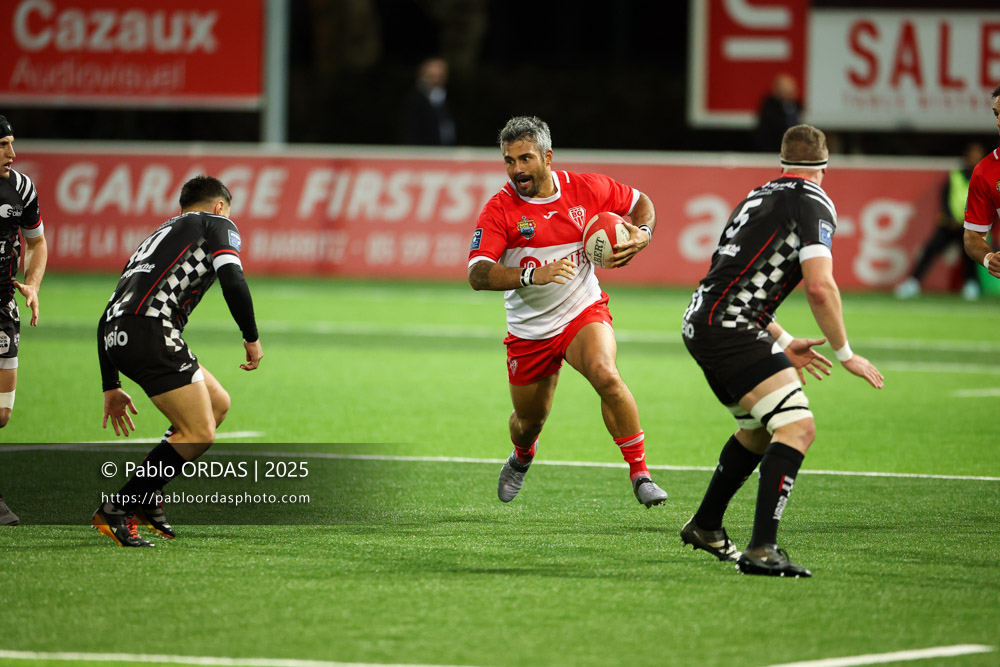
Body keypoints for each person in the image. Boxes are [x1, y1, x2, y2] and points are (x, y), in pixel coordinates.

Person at [680, 124, 884, 577]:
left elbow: (730, 277)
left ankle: (707, 526)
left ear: (783, 161)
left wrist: (783, 339)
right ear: (824, 166)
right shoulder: (814, 200)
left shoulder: (755, 197)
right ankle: (762, 549)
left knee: (757, 430)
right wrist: (845, 352)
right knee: (797, 427)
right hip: (730, 327)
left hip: (704, 321)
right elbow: (819, 286)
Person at [468, 115, 668, 508]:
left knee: (605, 374)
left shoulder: (587, 188)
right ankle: (522, 456)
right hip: (530, 331)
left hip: (582, 310)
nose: (517, 170)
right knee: (528, 423)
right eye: (510, 161)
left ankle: (640, 473)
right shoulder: (500, 210)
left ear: (548, 156)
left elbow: (641, 202)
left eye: (526, 159)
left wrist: (642, 234)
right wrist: (531, 275)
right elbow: (477, 273)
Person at [93, 176, 263, 547]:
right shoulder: (217, 223)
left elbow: (107, 313)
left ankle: (146, 496)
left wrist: (111, 384)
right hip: (152, 331)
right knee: (200, 432)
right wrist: (250, 337)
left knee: (218, 404)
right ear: (219, 206)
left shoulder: (155, 238)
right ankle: (118, 508)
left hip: (117, 335)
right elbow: (232, 279)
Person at [0, 114, 48, 528]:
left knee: (1, 413)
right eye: (2, 145)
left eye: (12, 144)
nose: (12, 154)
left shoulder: (22, 188)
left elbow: (37, 243)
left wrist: (31, 283)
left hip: (3, 305)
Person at [895, 142, 986, 300]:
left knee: (970, 256)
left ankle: (971, 285)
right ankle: (913, 282)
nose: (974, 157)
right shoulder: (955, 175)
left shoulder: (984, 177)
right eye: (972, 153)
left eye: (977, 154)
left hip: (969, 226)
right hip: (949, 224)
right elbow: (945, 197)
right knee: (930, 250)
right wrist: (948, 216)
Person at [963, 84, 1000, 277]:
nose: (999, 122)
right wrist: (989, 258)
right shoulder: (985, 171)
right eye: (996, 114)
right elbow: (973, 235)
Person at [400, 57, 456, 146]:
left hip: (444, 151)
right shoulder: (414, 100)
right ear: (420, 76)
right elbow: (410, 131)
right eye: (431, 77)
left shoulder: (445, 97)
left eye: (440, 77)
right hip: (423, 153)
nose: (436, 81)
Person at [753, 74, 802, 153]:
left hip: (794, 151)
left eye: (791, 90)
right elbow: (767, 133)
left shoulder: (796, 106)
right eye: (785, 90)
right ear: (777, 90)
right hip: (773, 151)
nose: (789, 93)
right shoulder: (769, 106)